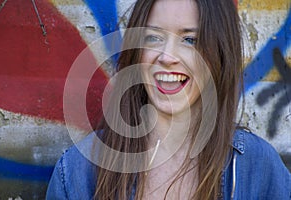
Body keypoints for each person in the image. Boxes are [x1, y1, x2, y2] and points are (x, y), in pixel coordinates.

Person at [46, 0, 291, 199]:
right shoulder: (79, 171)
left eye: (189, 40)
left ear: (219, 52)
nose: (167, 56)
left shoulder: (257, 169)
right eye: (154, 37)